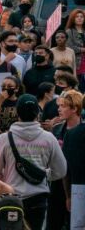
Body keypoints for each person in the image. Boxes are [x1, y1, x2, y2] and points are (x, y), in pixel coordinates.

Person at [0, 94, 67, 230]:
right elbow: (61, 171)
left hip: (12, 197)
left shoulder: (4, 138)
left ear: (17, 114)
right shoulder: (49, 138)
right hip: (38, 197)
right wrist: (44, 174)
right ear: (37, 113)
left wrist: (5, 177)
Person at [46, 90, 83, 230]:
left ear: (75, 109)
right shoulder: (56, 129)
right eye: (59, 105)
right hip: (57, 181)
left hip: (75, 182)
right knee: (53, 220)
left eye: (63, 106)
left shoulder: (81, 131)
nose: (59, 109)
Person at [0, 76, 22, 141]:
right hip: (0, 136)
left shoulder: (20, 101)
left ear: (16, 89)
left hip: (16, 136)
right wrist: (0, 101)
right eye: (3, 86)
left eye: (9, 86)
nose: (6, 88)